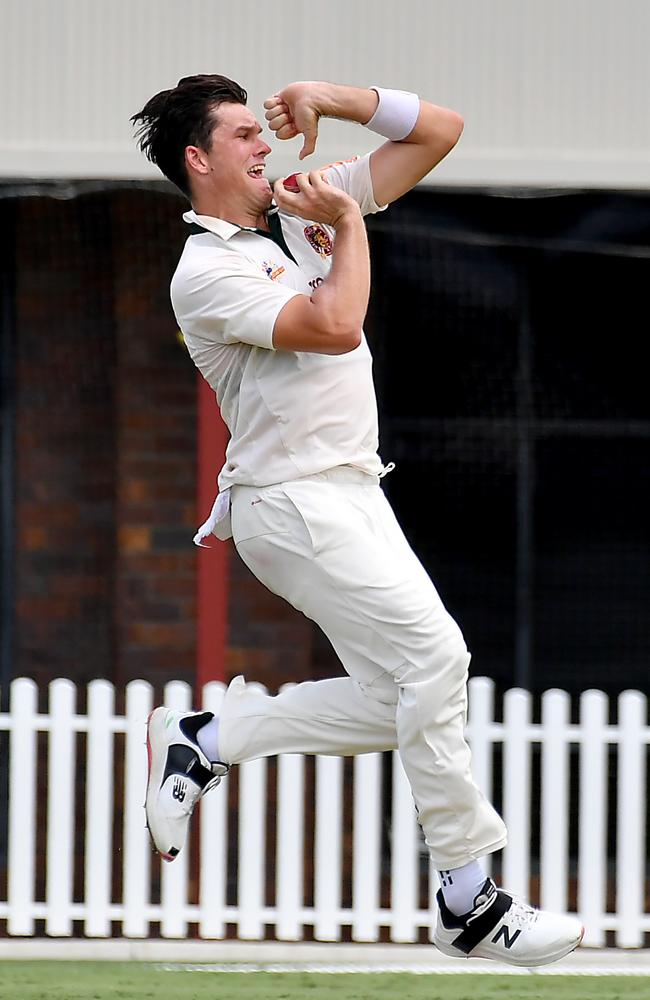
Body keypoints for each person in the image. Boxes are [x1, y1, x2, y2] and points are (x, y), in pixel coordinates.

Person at [131, 75, 583, 967]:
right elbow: (334, 325)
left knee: (409, 697)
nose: (265, 147)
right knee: (438, 661)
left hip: (351, 494)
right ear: (198, 159)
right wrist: (348, 223)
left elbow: (440, 132)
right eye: (242, 137)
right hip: (288, 502)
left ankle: (211, 740)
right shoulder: (209, 270)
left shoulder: (300, 209)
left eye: (265, 131)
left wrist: (337, 99)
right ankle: (470, 896)